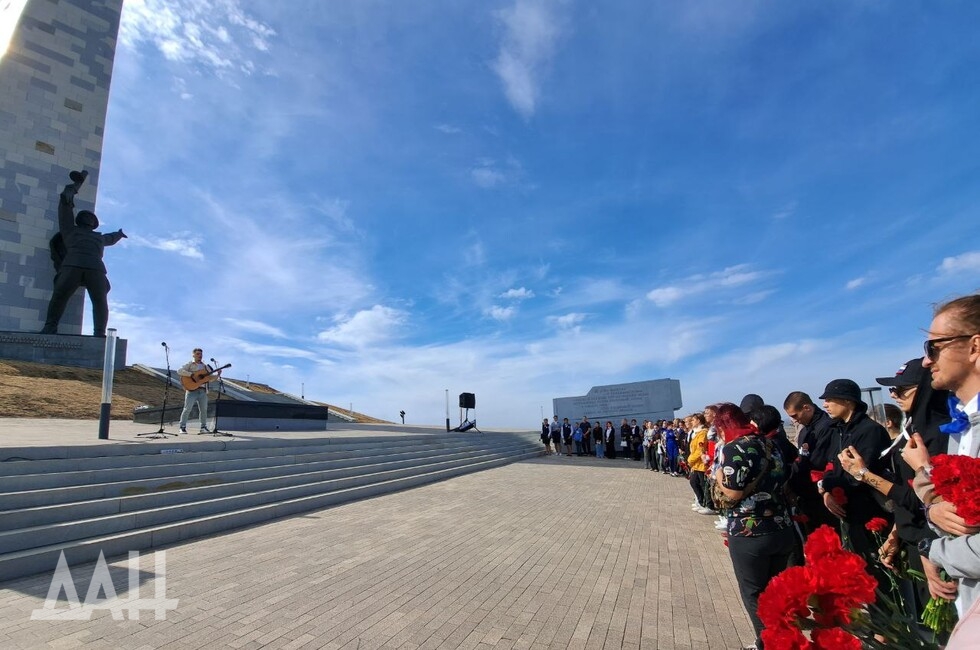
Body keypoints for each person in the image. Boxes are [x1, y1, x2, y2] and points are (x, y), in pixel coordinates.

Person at [901, 294, 980, 623]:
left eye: (933, 348)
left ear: (974, 347)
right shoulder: (960, 427)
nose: (925, 361)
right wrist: (934, 510)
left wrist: (930, 550)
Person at [713, 403, 796, 650]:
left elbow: (732, 493)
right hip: (781, 526)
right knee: (774, 592)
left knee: (754, 594)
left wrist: (717, 474)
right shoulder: (769, 443)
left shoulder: (733, 447)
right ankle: (780, 639)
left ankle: (770, 644)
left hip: (750, 531)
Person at [818, 378, 892, 575]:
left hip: (870, 514)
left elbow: (859, 476)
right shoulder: (838, 430)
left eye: (830, 399)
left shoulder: (870, 431)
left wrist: (827, 483)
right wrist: (826, 491)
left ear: (848, 401)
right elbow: (831, 465)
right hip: (849, 514)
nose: (825, 404)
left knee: (878, 573)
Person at [40, 170, 126, 336]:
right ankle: (50, 327)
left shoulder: (99, 237)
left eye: (92, 218)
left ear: (95, 224)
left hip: (96, 269)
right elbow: (65, 209)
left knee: (100, 301)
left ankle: (99, 333)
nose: (90, 219)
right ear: (80, 220)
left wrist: (119, 234)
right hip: (72, 265)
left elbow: (111, 238)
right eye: (86, 216)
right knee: (59, 296)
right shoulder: (70, 230)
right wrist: (69, 193)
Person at [783, 391, 836, 535]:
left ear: (806, 408)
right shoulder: (807, 428)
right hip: (807, 495)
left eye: (795, 416)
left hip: (818, 495)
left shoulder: (825, 428)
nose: (794, 421)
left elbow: (816, 462)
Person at [177, 348, 220, 433]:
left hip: (203, 390)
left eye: (201, 354)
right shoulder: (190, 364)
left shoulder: (205, 366)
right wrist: (191, 374)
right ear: (193, 355)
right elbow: (179, 371)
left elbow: (209, 379)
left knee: (204, 409)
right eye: (198, 354)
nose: (200, 356)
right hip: (191, 390)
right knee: (187, 408)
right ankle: (182, 427)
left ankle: (203, 427)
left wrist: (218, 375)